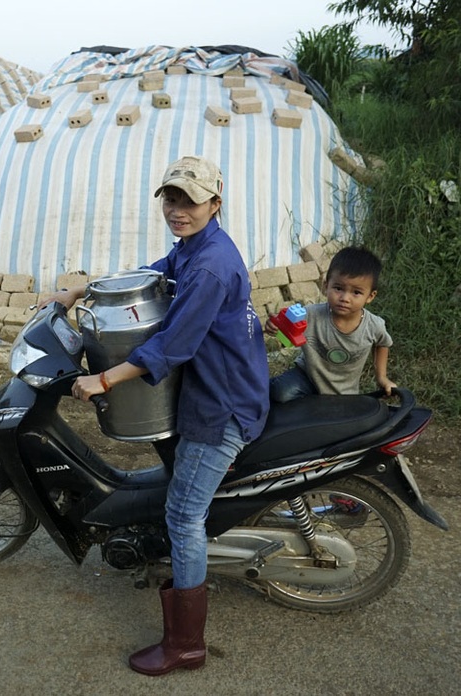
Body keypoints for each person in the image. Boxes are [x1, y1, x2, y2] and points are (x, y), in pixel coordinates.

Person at [46, 156, 270, 676]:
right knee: (180, 492)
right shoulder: (194, 248)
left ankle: (186, 645)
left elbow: (173, 346)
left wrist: (103, 380)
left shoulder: (212, 265)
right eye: (171, 199)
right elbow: (152, 275)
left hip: (222, 406)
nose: (177, 210)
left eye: (189, 200)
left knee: (184, 516)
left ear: (215, 203)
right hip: (216, 388)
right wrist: (84, 290)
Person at [267, 246, 396, 402]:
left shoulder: (373, 326)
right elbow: (285, 334)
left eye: (356, 292)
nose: (345, 298)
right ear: (326, 285)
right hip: (306, 377)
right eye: (338, 288)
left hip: (344, 391)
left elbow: (383, 343)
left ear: (370, 296)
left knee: (339, 422)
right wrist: (275, 327)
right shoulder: (310, 315)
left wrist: (381, 377)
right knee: (280, 394)